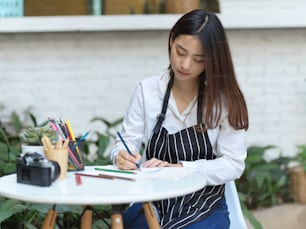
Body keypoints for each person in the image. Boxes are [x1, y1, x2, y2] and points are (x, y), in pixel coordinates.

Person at [110, 9, 249, 229]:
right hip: (154, 202)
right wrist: (121, 155)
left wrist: (182, 168)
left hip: (205, 205)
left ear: (212, 59)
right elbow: (125, 142)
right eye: (180, 52)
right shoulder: (148, 91)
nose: (185, 65)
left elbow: (233, 164)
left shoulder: (224, 101)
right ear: (171, 39)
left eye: (198, 59)